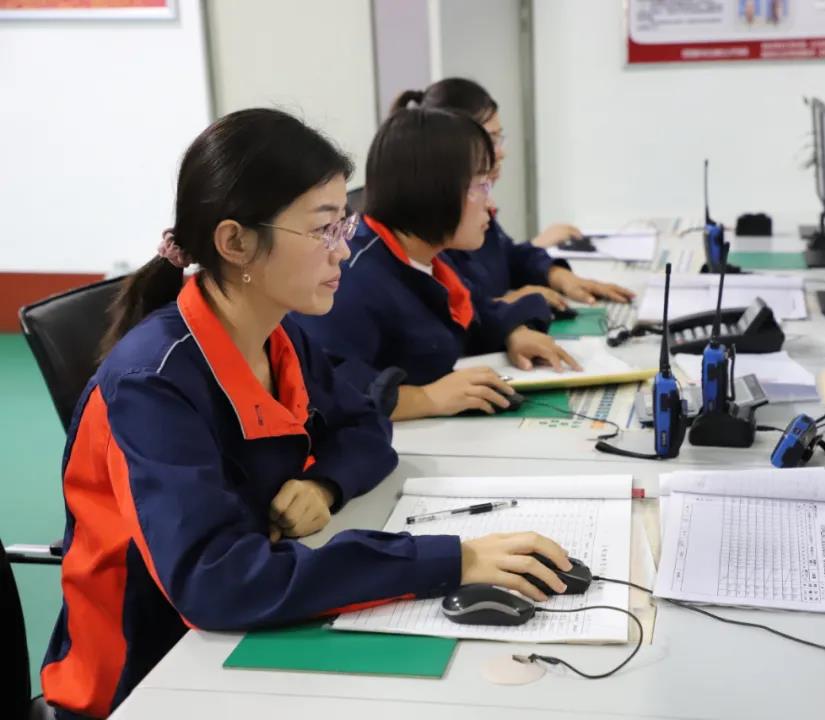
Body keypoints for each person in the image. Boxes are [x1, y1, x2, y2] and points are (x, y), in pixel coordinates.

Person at [41, 109, 573, 720]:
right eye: (323, 229)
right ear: (236, 242)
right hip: (144, 680)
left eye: (343, 224)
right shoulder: (152, 384)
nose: (343, 250)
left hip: (234, 640)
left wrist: (325, 484)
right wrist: (453, 560)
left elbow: (366, 424)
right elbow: (219, 582)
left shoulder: (280, 335)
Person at [297, 107, 583, 421]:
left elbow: (474, 314)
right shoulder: (350, 277)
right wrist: (427, 398)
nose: (491, 204)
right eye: (482, 186)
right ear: (435, 190)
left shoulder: (429, 257)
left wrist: (513, 332)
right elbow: (327, 387)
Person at [391, 78, 634, 312]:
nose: (501, 152)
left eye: (500, 138)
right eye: (491, 139)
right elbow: (454, 311)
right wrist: (507, 305)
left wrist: (558, 275)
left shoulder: (474, 206)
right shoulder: (433, 232)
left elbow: (508, 255)